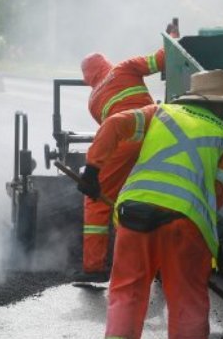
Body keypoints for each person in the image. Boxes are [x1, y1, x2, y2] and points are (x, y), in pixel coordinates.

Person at [79, 69, 223, 339]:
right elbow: (217, 193)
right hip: (186, 222)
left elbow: (113, 125)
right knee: (187, 300)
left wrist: (92, 170)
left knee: (126, 294)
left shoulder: (159, 113)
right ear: (218, 103)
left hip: (134, 212)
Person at [78, 47, 166, 280]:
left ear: (88, 77)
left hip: (123, 142)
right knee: (153, 196)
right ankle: (157, 263)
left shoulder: (93, 99)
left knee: (97, 201)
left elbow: (109, 131)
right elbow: (161, 60)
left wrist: (92, 170)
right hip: (157, 135)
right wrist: (173, 39)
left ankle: (94, 267)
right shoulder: (126, 66)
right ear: (106, 62)